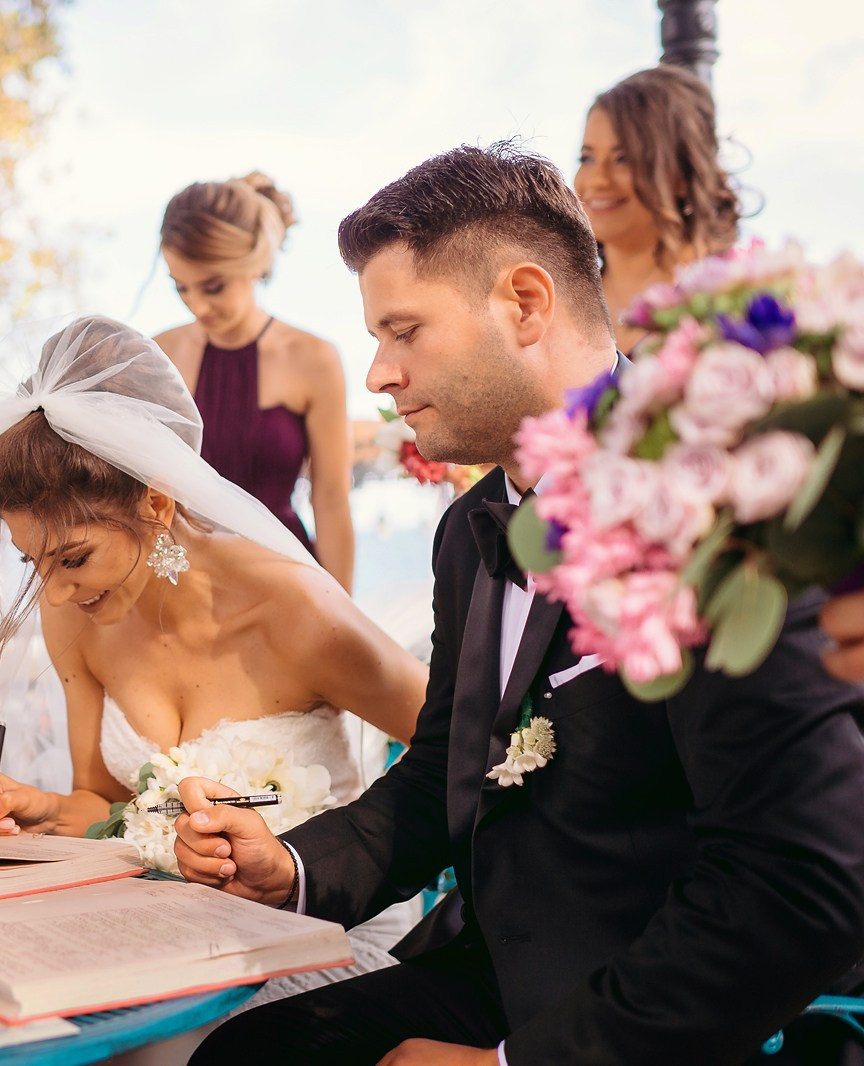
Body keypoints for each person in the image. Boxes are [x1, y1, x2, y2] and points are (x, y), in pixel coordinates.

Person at [174, 143, 864, 1065]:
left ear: (526, 302)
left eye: (403, 331)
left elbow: (796, 881)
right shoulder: (470, 532)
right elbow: (435, 775)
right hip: (497, 972)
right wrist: (292, 865)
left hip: (665, 1014)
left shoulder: (718, 501)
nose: (377, 373)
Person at [0, 316, 427, 993]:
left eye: (74, 557)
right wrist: (46, 812)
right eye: (32, 562)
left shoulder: (296, 612)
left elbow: (459, 754)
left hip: (323, 938)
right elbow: (105, 806)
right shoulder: (73, 615)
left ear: (157, 504)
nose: (55, 589)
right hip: (168, 936)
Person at [153, 174, 356, 589]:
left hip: (285, 579)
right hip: (183, 584)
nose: (197, 304)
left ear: (255, 266)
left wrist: (343, 617)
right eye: (181, 288)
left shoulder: (314, 359)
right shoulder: (158, 355)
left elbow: (331, 501)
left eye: (213, 286)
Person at [575, 65, 740, 355]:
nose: (598, 180)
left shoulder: (730, 297)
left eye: (623, 159)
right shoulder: (563, 302)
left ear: (680, 174)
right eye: (587, 158)